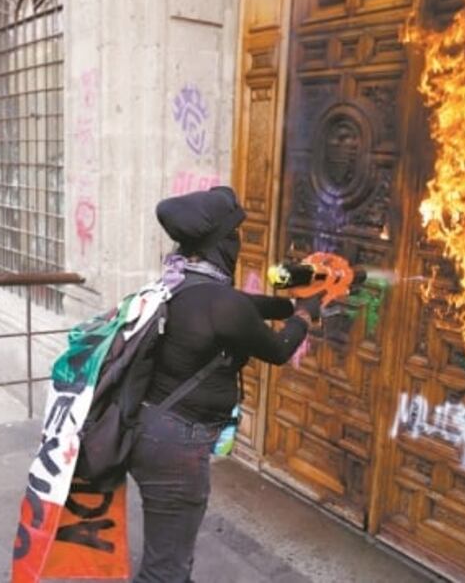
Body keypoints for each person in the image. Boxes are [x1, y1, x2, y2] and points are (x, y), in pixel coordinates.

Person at [128, 186, 322, 582]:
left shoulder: (182, 282)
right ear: (219, 241)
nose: (237, 243)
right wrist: (305, 316)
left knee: (168, 556)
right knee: (165, 569)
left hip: (153, 433)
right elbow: (279, 349)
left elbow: (246, 307)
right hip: (175, 448)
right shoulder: (219, 302)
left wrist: (293, 302)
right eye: (233, 236)